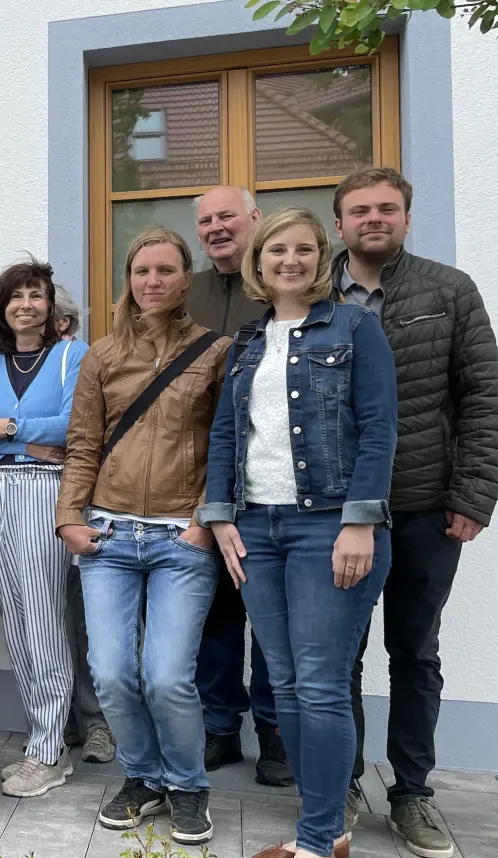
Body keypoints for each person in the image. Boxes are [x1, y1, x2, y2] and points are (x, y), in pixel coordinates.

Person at [197, 207, 397, 858]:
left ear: (323, 256)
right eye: (277, 249)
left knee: (319, 686)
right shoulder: (249, 340)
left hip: (327, 528)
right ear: (260, 259)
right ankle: (322, 826)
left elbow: (378, 430)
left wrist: (360, 523)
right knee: (283, 689)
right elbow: (226, 435)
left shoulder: (354, 327)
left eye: (305, 249)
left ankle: (318, 840)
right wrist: (221, 518)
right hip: (257, 527)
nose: (291, 260)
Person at [333, 167, 498, 858]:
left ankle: (411, 794)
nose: (373, 219)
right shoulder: (315, 292)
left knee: (414, 653)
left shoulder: (448, 290)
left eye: (386, 209)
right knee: (338, 657)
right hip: (338, 515)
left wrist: (471, 497)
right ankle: (339, 783)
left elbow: (484, 397)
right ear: (339, 222)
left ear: (406, 216)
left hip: (425, 507)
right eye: (360, 211)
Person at [56, 227, 229, 845]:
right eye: (140, 271)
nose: (151, 282)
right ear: (127, 280)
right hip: (108, 534)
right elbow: (84, 445)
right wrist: (69, 519)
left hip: (182, 540)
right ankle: (143, 779)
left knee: (166, 676)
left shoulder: (216, 351)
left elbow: (227, 445)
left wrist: (205, 520)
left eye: (164, 270)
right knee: (109, 672)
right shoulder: (102, 355)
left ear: (187, 279)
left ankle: (187, 786)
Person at [0, 259, 88, 798]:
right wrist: (22, 439)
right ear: (3, 308)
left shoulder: (69, 356)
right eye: (17, 297)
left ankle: (51, 748)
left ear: (52, 307)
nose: (27, 305)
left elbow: (76, 421)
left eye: (37, 295)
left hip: (43, 489)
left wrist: (11, 427)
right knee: (14, 612)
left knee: (43, 609)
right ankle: (41, 732)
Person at [187, 186, 290, 787]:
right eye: (206, 220)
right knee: (215, 614)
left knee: (271, 611)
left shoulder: (280, 291)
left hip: (271, 476)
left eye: (228, 215)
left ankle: (275, 733)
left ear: (255, 220)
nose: (217, 227)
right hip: (201, 473)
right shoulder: (189, 291)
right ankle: (220, 727)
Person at [50, 288, 114, 766]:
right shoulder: (11, 364)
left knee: (88, 621)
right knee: (51, 621)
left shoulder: (83, 360)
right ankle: (65, 716)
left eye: (51, 318)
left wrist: (15, 430)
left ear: (67, 325)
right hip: (30, 509)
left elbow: (76, 430)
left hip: (84, 508)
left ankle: (97, 723)